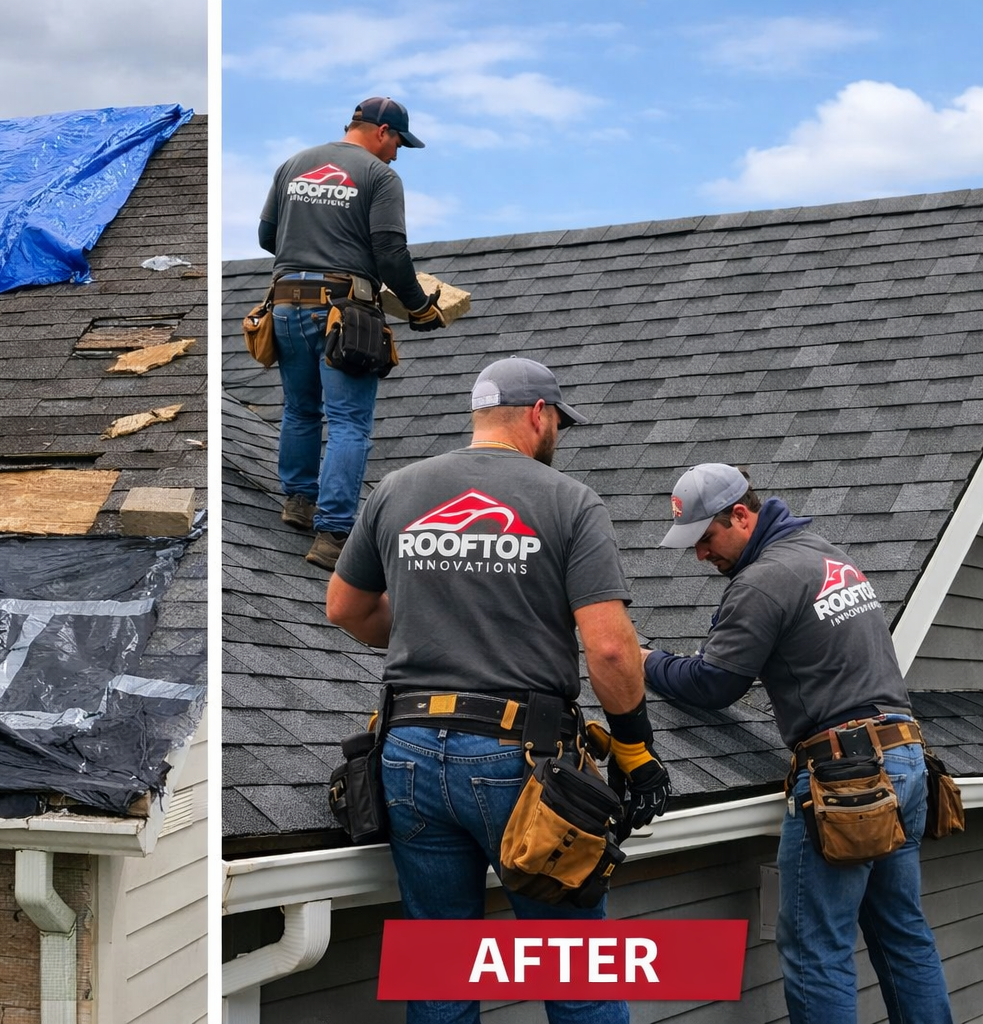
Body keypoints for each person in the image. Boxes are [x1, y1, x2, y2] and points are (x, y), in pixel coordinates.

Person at [327, 357, 670, 1024]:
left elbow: (343, 607)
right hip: (520, 762)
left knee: (439, 968)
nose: (558, 436)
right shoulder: (566, 501)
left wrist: (429, 632)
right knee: (577, 972)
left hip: (407, 755)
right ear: (539, 414)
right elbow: (607, 645)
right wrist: (635, 749)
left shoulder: (398, 489)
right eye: (558, 423)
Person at [643, 463, 951, 1024]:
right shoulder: (825, 553)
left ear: (741, 514)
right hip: (905, 760)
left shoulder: (764, 579)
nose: (701, 557)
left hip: (846, 779)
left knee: (815, 950)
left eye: (706, 540)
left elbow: (714, 683)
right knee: (903, 937)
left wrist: (648, 663)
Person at [259, 96, 448, 571]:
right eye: (399, 142)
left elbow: (267, 237)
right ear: (382, 130)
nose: (398, 153)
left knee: (301, 408)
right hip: (344, 311)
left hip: (284, 304)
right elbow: (389, 251)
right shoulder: (379, 177)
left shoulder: (293, 164)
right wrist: (419, 307)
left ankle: (297, 503)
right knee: (349, 423)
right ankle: (332, 534)